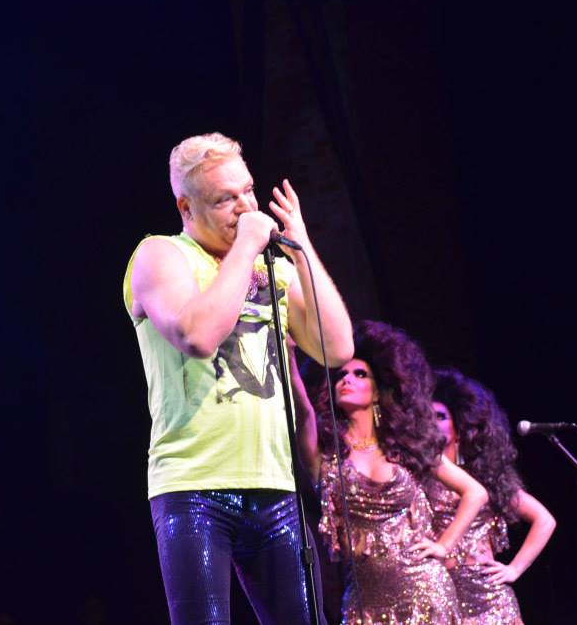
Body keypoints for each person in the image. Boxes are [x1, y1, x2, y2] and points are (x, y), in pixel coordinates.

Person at [123, 132, 353, 624]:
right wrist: (247, 246)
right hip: (194, 488)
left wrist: (301, 249)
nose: (245, 207)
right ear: (186, 207)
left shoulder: (274, 270)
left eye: (247, 190)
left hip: (277, 488)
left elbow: (338, 348)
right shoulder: (161, 255)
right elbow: (198, 335)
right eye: (225, 199)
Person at [292, 320, 489, 624]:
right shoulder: (327, 455)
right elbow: (303, 412)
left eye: (360, 374)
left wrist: (444, 545)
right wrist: (290, 362)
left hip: (424, 592)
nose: (347, 379)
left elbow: (476, 493)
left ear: (377, 392)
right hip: (366, 603)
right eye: (341, 375)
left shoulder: (405, 445)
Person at [425, 368, 556, 625]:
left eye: (440, 416)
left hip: (489, 601)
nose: (432, 422)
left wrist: (514, 568)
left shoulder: (483, 478)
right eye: (427, 416)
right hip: (438, 594)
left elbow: (544, 520)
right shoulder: (416, 479)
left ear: (460, 427)